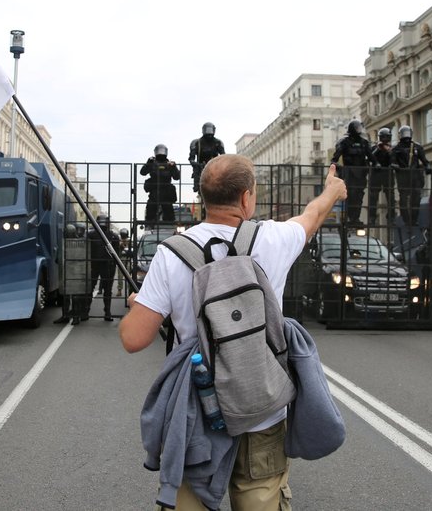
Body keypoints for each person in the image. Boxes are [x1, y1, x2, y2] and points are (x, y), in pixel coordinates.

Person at [120, 154, 347, 510]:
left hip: (201, 411)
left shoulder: (171, 254)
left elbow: (133, 340)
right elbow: (312, 216)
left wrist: (139, 304)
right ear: (246, 198)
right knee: (262, 498)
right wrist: (332, 190)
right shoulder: (273, 239)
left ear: (202, 199)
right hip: (262, 408)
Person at [330, 119, 376, 228]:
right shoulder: (344, 142)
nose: (359, 130)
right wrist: (339, 168)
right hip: (350, 173)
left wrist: (376, 164)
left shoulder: (364, 143)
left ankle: (356, 218)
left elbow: (371, 157)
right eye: (357, 128)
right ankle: (350, 217)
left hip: (361, 174)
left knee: (359, 196)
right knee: (351, 195)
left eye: (360, 128)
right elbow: (334, 159)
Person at [84, 213, 121, 323]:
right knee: (94, 289)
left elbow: (116, 254)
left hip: (104, 265)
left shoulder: (111, 236)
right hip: (97, 264)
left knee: (103, 290)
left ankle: (102, 312)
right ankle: (92, 311)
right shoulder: (94, 235)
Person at [391, 125, 431, 227]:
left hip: (415, 177)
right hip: (403, 177)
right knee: (403, 199)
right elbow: (393, 161)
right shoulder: (396, 148)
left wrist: (428, 167)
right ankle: (406, 220)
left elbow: (424, 160)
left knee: (416, 200)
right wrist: (396, 166)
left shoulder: (417, 147)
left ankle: (413, 220)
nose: (406, 136)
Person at [141, 144, 181, 226]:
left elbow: (177, 177)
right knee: (150, 214)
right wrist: (148, 163)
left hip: (166, 193)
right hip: (154, 192)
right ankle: (150, 227)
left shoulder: (170, 164)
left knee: (169, 216)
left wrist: (174, 167)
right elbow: (143, 172)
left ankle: (168, 228)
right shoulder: (152, 163)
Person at [367, 127, 396, 227]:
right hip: (376, 175)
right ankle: (372, 218)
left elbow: (394, 160)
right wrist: (378, 149)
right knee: (373, 197)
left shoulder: (392, 148)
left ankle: (391, 218)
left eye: (387, 137)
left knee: (391, 197)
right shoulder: (374, 147)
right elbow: (369, 158)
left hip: (388, 175)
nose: (385, 140)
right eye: (383, 137)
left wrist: (389, 151)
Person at [188, 122, 225, 193]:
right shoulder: (196, 142)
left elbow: (223, 157)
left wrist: (217, 165)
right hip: (200, 168)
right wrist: (197, 165)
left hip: (214, 168)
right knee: (201, 188)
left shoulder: (218, 142)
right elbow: (191, 159)